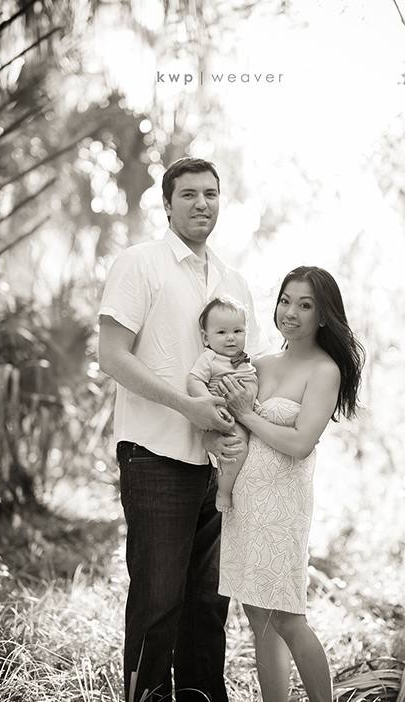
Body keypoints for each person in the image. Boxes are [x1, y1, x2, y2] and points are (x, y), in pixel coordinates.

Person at [97, 157, 270, 702]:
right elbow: (111, 356)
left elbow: (248, 368)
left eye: (211, 194)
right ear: (167, 204)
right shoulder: (139, 264)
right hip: (154, 454)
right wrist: (187, 406)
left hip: (219, 464)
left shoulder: (233, 282)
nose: (202, 204)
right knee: (157, 600)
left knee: (208, 604)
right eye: (189, 194)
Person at [216, 266, 365, 702]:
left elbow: (300, 444)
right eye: (285, 300)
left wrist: (247, 414)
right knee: (259, 619)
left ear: (323, 315)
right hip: (244, 500)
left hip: (283, 506)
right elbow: (227, 421)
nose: (291, 312)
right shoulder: (259, 364)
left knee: (287, 618)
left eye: (305, 305)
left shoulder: (324, 371)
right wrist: (218, 435)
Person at [187, 295, 259, 513]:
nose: (230, 338)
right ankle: (224, 491)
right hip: (224, 416)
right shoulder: (210, 358)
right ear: (206, 337)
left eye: (237, 331)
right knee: (237, 446)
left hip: (248, 414)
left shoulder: (245, 359)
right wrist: (212, 404)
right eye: (221, 332)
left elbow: (253, 382)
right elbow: (193, 381)